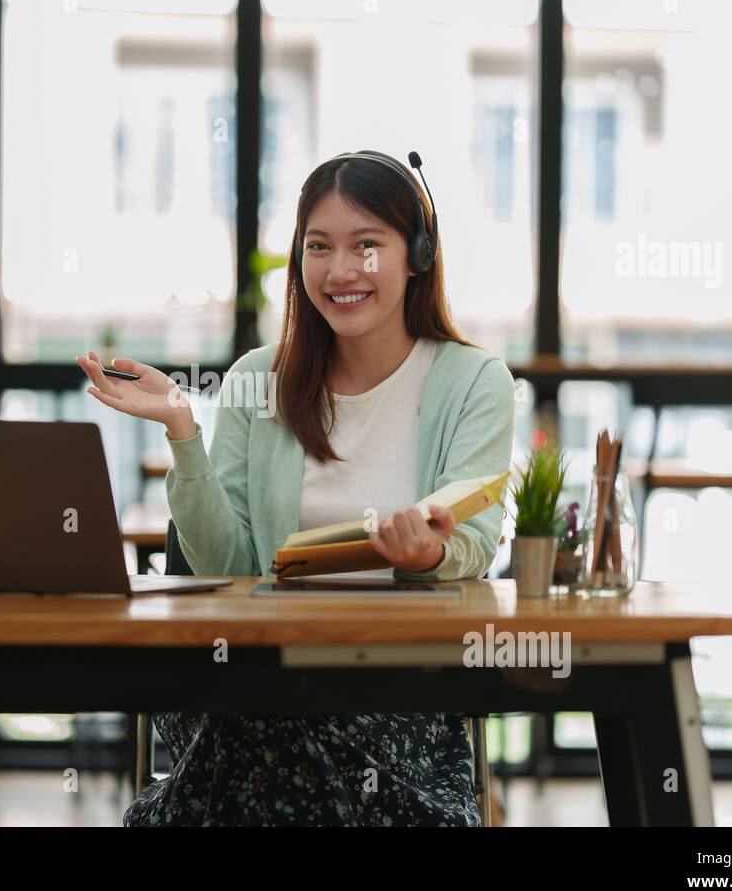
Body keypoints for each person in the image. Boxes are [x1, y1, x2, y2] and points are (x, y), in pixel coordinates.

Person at [77, 149, 515, 825]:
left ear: (417, 255)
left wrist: (424, 552)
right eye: (319, 246)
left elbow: (477, 537)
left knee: (252, 745)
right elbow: (227, 570)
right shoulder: (260, 377)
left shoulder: (473, 382)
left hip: (398, 689)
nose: (340, 271)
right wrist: (182, 432)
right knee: (256, 719)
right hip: (259, 673)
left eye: (366, 246)